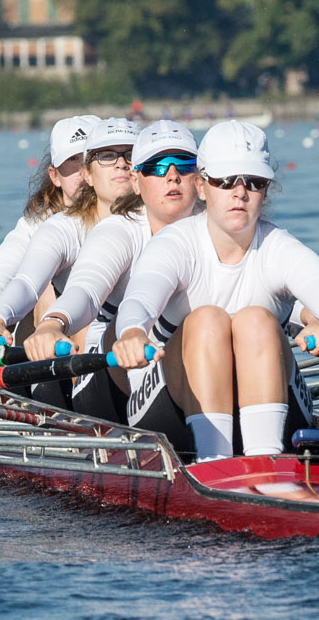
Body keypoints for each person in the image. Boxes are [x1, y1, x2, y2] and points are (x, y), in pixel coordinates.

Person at [112, 119, 319, 462]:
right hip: (171, 414)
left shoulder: (279, 248)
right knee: (207, 320)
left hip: (274, 414)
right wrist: (133, 332)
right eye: (226, 181)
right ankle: (215, 460)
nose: (240, 192)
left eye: (254, 182)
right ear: (202, 187)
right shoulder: (175, 244)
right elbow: (139, 299)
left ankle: (265, 463)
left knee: (256, 320)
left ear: (266, 190)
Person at [29, 118, 202, 425]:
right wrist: (51, 323)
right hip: (110, 375)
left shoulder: (222, 229)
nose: (172, 176)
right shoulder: (117, 231)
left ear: (200, 179)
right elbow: (83, 290)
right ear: (138, 180)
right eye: (156, 167)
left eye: (184, 164)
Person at [0, 117, 137, 355]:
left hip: (123, 338)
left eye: (127, 155)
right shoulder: (49, 226)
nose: (120, 165)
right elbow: (17, 282)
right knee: (46, 290)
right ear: (55, 176)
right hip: (69, 338)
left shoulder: (154, 219)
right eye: (106, 156)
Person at [0, 113, 98, 341]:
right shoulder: (40, 225)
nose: (83, 171)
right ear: (55, 176)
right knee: (42, 294)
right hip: (59, 335)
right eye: (73, 160)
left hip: (106, 331)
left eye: (90, 159)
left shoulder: (132, 219)